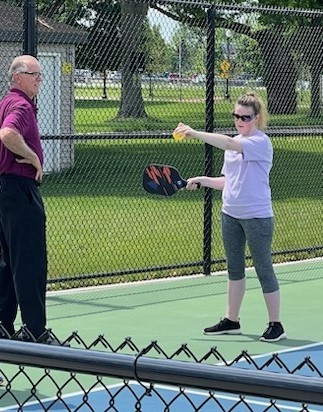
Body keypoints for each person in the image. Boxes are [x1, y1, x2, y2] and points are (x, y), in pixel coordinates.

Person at [173, 92, 286, 343]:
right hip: (230, 214)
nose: (239, 121)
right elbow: (228, 181)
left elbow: (228, 143)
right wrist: (202, 180)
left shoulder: (259, 142)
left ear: (256, 118)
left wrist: (194, 133)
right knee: (234, 267)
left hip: (257, 216)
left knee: (263, 267)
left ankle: (276, 324)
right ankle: (231, 320)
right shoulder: (234, 144)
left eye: (244, 117)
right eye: (235, 116)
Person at [0, 55, 49, 343]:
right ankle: (35, 331)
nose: (39, 79)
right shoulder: (19, 105)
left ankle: (4, 323)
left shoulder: (5, 102)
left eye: (40, 74)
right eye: (34, 74)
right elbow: (7, 133)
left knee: (7, 260)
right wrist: (32, 157)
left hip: (5, 191)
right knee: (29, 260)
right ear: (17, 77)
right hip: (19, 190)